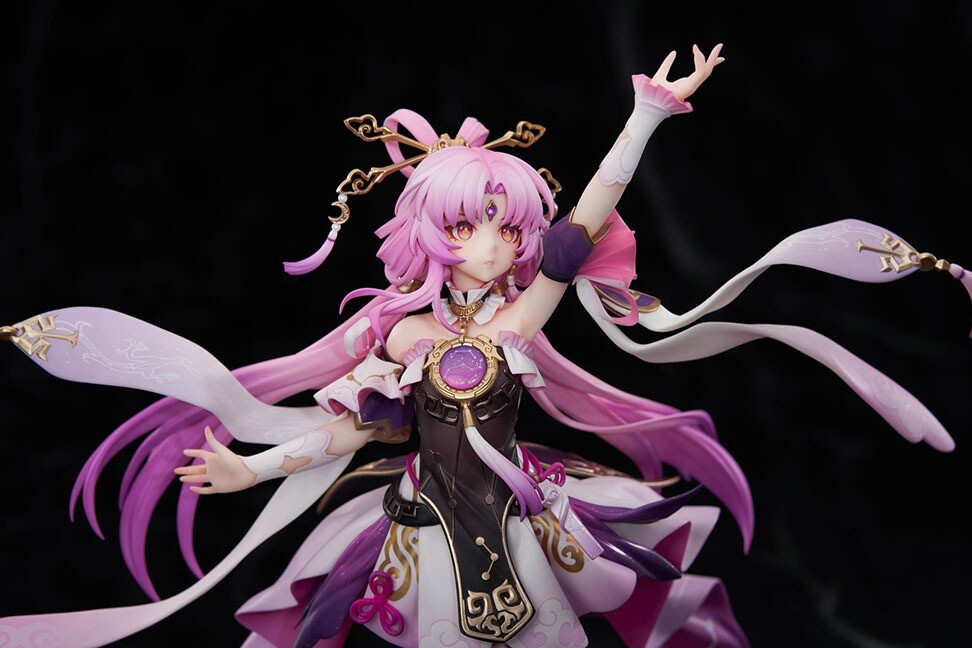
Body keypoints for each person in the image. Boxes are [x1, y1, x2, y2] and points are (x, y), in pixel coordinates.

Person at [1, 43, 963, 647]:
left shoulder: (519, 320)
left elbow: (583, 228)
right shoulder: (402, 331)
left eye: (505, 225)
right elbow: (353, 428)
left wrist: (644, 117)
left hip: (529, 516)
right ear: (430, 233)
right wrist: (250, 469)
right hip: (425, 524)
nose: (491, 245)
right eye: (466, 226)